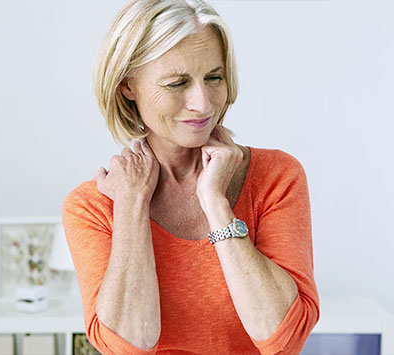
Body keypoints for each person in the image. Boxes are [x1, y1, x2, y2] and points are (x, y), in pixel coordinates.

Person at [61, 0, 319, 353]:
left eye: (214, 77)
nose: (203, 104)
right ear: (127, 86)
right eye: (176, 83)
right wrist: (132, 204)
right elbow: (128, 346)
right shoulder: (92, 206)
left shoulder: (277, 177)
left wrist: (215, 203)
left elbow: (283, 339)